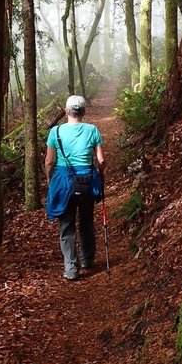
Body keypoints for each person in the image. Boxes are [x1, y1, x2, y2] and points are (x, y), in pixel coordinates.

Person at [45, 94, 106, 280]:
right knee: (86, 221)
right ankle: (87, 259)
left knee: (66, 225)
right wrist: (100, 174)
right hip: (86, 181)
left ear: (66, 112)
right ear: (84, 112)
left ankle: (71, 269)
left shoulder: (55, 132)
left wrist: (50, 181)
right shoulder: (92, 130)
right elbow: (101, 160)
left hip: (64, 183)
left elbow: (49, 162)